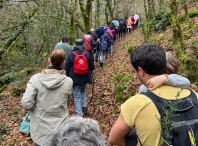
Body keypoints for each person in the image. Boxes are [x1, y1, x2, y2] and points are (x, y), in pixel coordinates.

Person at [108, 43, 198, 146]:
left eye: (135, 71)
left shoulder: (137, 103)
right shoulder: (194, 95)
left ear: (141, 71)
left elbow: (113, 139)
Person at [21, 49, 73, 146]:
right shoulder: (68, 81)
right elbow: (66, 101)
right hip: (60, 129)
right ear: (63, 63)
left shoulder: (35, 79)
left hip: (41, 130)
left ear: (49, 60)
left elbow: (26, 104)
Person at [65, 39, 94, 117]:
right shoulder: (87, 54)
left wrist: (67, 76)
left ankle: (79, 115)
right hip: (85, 77)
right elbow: (92, 67)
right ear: (83, 45)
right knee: (83, 90)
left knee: (77, 96)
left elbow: (67, 68)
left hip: (74, 78)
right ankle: (83, 105)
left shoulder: (71, 55)